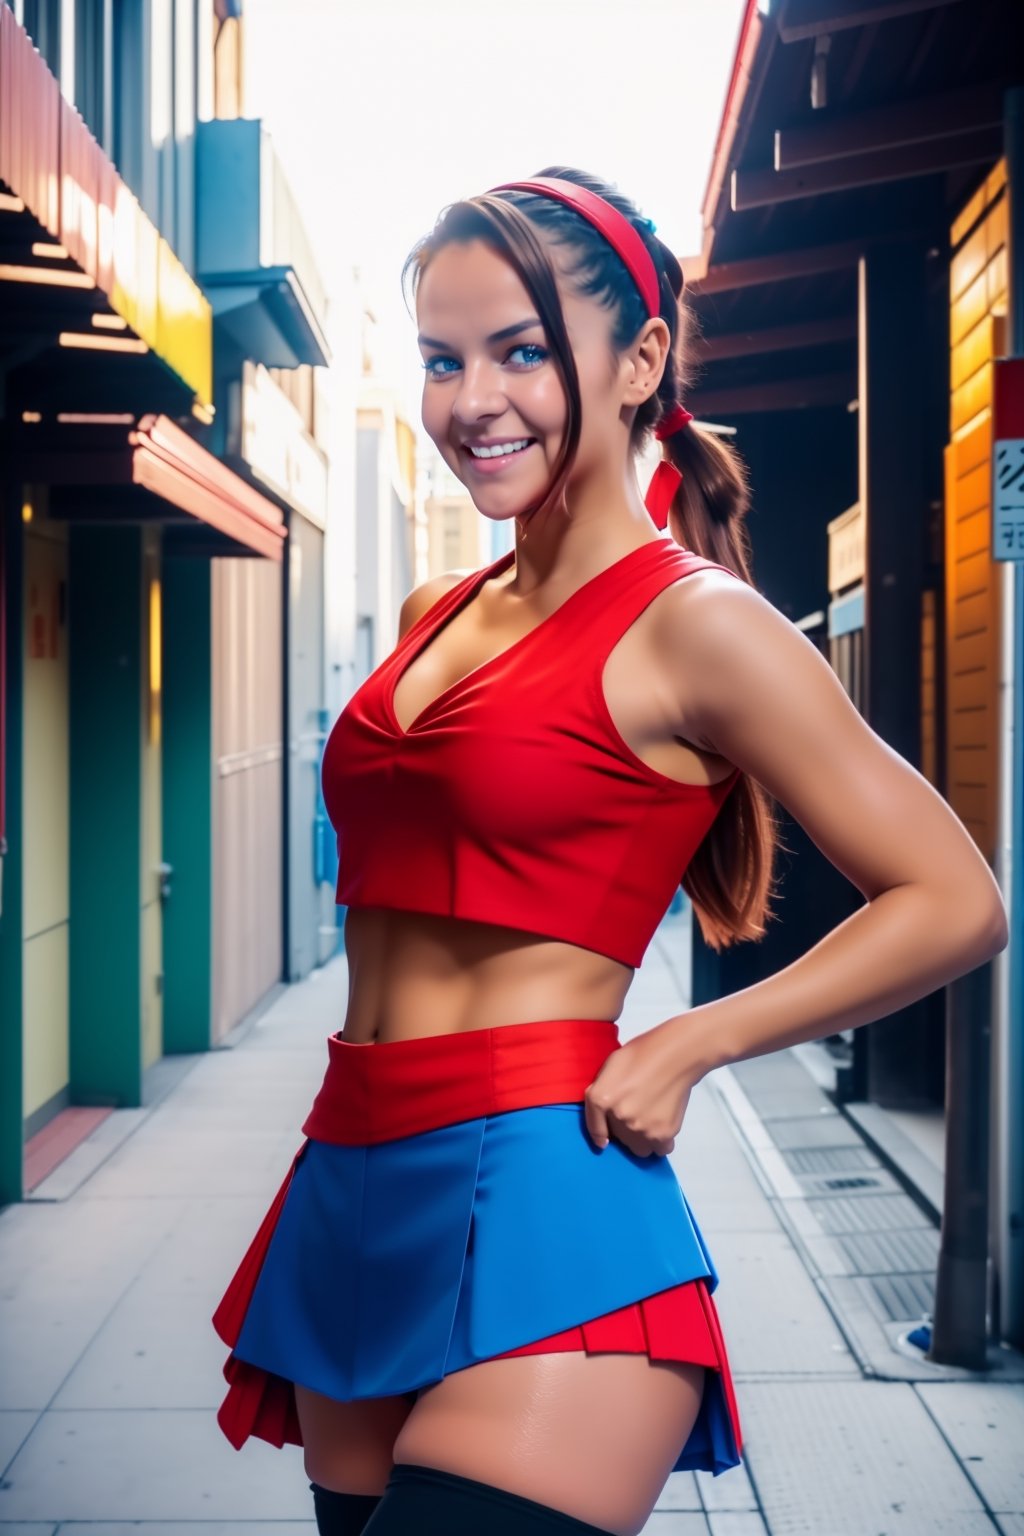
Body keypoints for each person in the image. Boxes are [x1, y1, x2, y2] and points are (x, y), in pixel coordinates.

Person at [210, 168, 1009, 1536]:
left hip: (546, 1194)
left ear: (641, 361)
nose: (473, 401)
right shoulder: (432, 605)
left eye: (522, 351)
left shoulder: (702, 626)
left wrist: (690, 1043)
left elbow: (955, 901)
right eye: (443, 358)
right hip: (349, 1178)